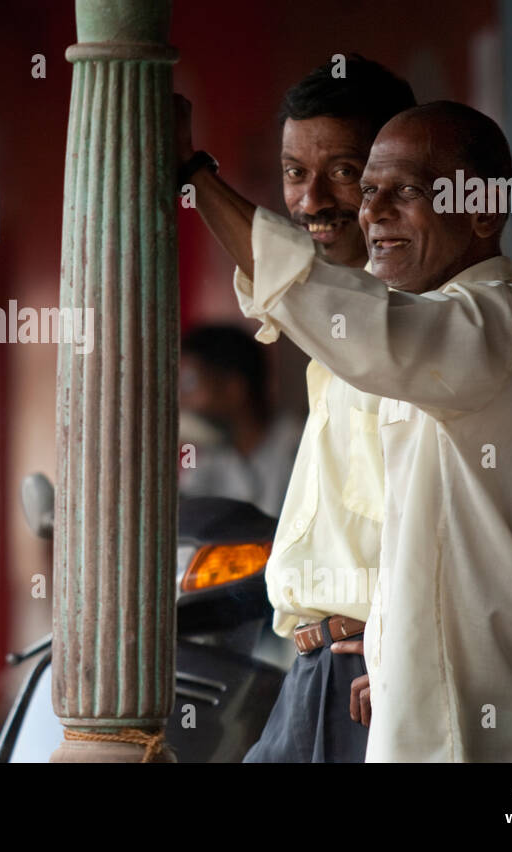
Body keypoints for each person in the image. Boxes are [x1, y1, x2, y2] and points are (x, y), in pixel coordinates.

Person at [192, 99, 512, 762]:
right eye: (369, 191)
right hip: (415, 701)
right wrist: (394, 649)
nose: (371, 213)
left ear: (484, 211)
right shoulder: (448, 337)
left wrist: (195, 178)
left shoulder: (495, 326)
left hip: (491, 727)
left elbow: (356, 320)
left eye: (405, 192)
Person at [176, 55, 415, 761]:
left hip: (369, 675)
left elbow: (293, 279)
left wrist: (192, 173)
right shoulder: (335, 337)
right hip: (314, 669)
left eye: (342, 170)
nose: (310, 201)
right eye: (293, 173)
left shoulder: (414, 319)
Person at [178, 324, 302, 519]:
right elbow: (187, 516)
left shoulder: (300, 447)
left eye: (190, 384)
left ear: (234, 388)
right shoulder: (212, 453)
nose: (182, 401)